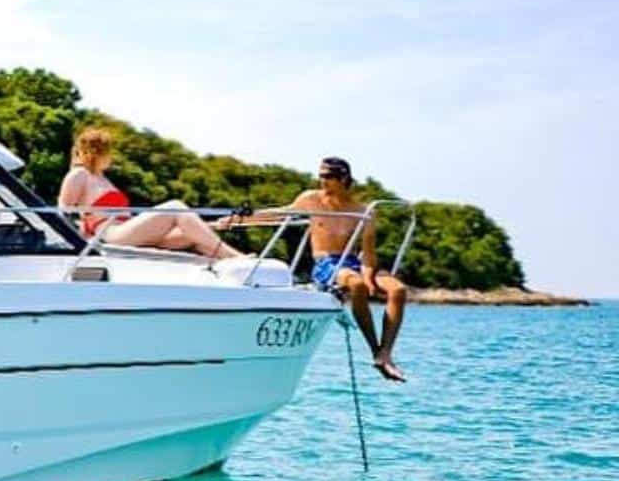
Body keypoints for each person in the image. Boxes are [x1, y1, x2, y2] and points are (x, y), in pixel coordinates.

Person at [228, 158, 407, 382]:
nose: (322, 181)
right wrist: (239, 217)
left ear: (344, 179)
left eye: (328, 177)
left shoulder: (363, 211)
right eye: (320, 176)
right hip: (327, 263)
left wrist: (370, 276)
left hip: (353, 261)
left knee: (398, 290)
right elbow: (280, 213)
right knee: (357, 285)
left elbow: (369, 254)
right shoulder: (311, 199)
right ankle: (375, 350)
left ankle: (386, 352)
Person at [57, 125, 242, 260]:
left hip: (127, 230)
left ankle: (234, 267)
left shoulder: (102, 178)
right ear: (97, 153)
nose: (111, 157)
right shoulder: (79, 175)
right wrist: (84, 234)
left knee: (193, 234)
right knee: (175, 207)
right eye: (108, 152)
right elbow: (63, 213)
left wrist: (211, 225)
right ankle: (235, 257)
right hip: (111, 233)